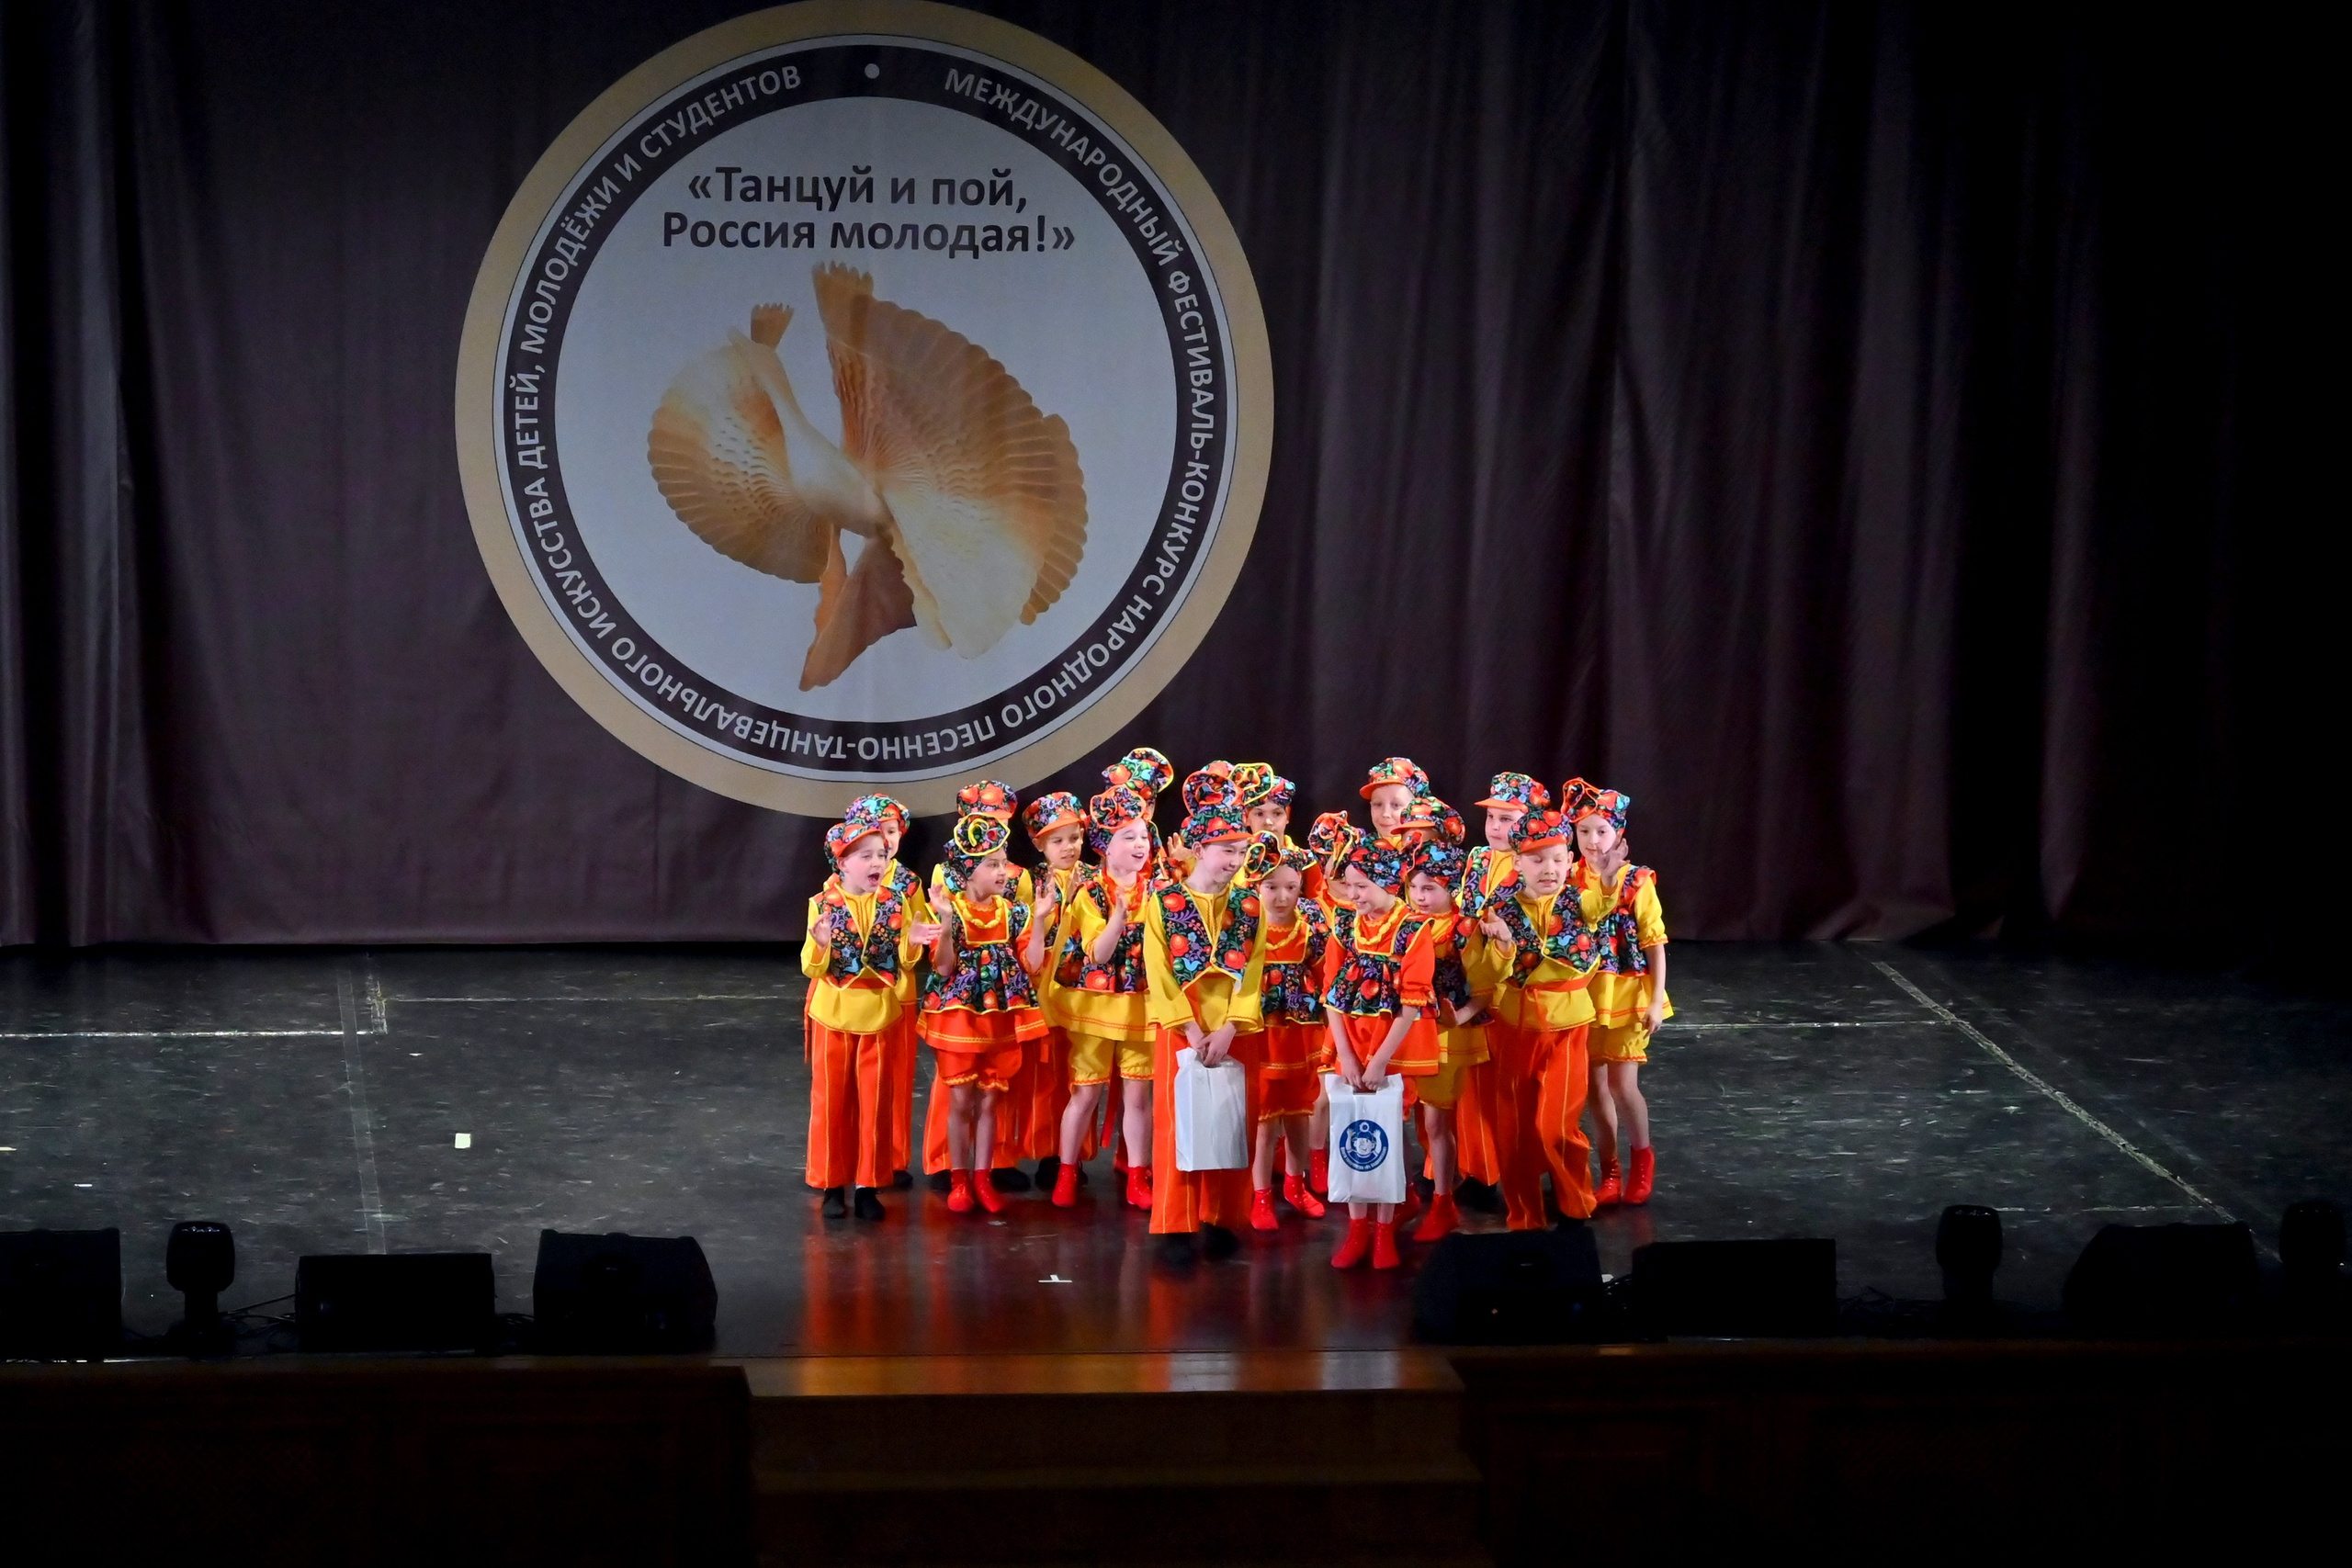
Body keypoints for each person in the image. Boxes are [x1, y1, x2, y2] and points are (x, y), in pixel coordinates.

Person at [1145, 772, 1268, 1264]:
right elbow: (1158, 972)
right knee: (1179, 1123)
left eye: (1240, 852)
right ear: (1197, 848)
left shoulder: (1249, 904)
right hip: (1185, 1028)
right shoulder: (1164, 902)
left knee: (1231, 1120)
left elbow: (1255, 970)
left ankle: (1222, 1217)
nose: (1234, 862)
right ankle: (1176, 1222)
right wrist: (1192, 1029)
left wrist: (1233, 1026)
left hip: (1235, 1030)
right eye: (1225, 851)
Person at [802, 816, 942, 1220]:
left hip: (879, 1016)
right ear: (842, 863)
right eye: (866, 856)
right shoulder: (821, 905)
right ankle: (832, 1184)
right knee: (832, 1103)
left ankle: (867, 1185)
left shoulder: (895, 903)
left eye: (881, 854)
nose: (877, 862)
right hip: (834, 1015)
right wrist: (821, 944)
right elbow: (812, 969)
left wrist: (913, 944)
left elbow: (901, 962)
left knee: (875, 1104)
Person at [1476, 807, 1602, 1230]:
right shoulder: (1498, 912)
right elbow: (1484, 976)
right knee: (1513, 1132)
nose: (1548, 868)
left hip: (1568, 1027)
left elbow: (1609, 896)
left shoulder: (1584, 901)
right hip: (1513, 1028)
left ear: (1571, 860)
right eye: (1536, 858)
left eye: (1557, 858)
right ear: (1517, 863)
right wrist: (1503, 948)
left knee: (1557, 1127)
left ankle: (1574, 1205)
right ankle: (1524, 1215)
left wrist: (1608, 864)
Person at [919, 814, 1048, 1214]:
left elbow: (1032, 963)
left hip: (1001, 1017)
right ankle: (958, 1178)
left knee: (991, 1101)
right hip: (961, 1017)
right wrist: (942, 920)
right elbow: (942, 967)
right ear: (968, 872)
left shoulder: (1013, 913)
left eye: (1004, 862)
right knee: (960, 1100)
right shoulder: (952, 911)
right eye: (991, 864)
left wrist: (1041, 918)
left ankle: (983, 1176)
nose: (1002, 871)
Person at [1320, 839, 1440, 1269]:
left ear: (1389, 882)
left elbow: (1411, 1004)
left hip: (1392, 1047)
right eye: (1350, 886)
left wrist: (1380, 1059)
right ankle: (1357, 1228)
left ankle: (1385, 1228)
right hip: (1353, 1040)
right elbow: (1332, 993)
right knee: (1352, 1131)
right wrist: (1348, 1056)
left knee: (1386, 1133)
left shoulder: (1413, 929)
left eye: (1363, 886)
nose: (1355, 895)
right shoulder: (1344, 926)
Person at [1046, 784, 1159, 1210]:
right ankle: (1066, 1170)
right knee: (1086, 1093)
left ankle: (1136, 1175)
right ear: (1104, 848)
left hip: (1141, 1006)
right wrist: (1117, 919)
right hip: (1096, 1007)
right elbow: (1099, 952)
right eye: (1127, 837)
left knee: (1137, 1095)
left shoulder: (1160, 888)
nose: (1139, 845)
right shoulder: (1089, 891)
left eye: (1144, 836)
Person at [1565, 781, 1670, 1207]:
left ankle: (1642, 1158)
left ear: (1619, 837)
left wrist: (1655, 997)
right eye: (1584, 831)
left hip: (1626, 994)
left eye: (1602, 831)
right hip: (1584, 996)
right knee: (1593, 1087)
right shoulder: (1568, 875)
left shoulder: (1637, 881)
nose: (1593, 840)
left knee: (1624, 1085)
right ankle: (1608, 1169)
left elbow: (1653, 942)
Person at [1405, 840, 1499, 1242]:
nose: (1421, 897)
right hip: (1406, 1034)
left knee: (1437, 1120)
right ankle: (1401, 1197)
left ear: (1449, 888)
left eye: (1431, 888)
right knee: (1410, 1119)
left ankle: (1444, 1203)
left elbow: (1482, 989)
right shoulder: (1403, 923)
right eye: (1415, 888)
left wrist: (1455, 1017)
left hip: (1446, 1038)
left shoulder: (1464, 929)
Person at [1240, 835, 1330, 1229]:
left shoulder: (1309, 927)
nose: (1281, 897)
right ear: (1255, 887)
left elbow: (1326, 973)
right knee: (1264, 1120)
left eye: (1291, 887)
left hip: (1300, 1034)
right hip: (1261, 1034)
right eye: (1271, 887)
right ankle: (1260, 1195)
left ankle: (1296, 1184)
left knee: (1299, 1114)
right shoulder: (1246, 928)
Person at [841, 794, 930, 1190]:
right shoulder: (838, 884)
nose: (887, 843)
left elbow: (918, 933)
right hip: (853, 998)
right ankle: (848, 1162)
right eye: (877, 835)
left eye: (892, 833)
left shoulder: (908, 884)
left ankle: (891, 1157)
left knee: (894, 1080)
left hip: (899, 994)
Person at [1300, 809, 1363, 1196]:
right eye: (1334, 872)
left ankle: (1358, 1160)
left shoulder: (1373, 902)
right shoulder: (1312, 905)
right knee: (1319, 1095)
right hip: (1321, 1009)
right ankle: (1317, 1163)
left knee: (1358, 1091)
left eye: (1349, 873)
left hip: (1366, 1012)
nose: (1343, 883)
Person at [1360, 756, 1428, 848]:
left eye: (1396, 805)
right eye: (1378, 804)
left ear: (1417, 808)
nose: (1385, 813)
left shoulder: (1430, 849)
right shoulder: (1359, 848)